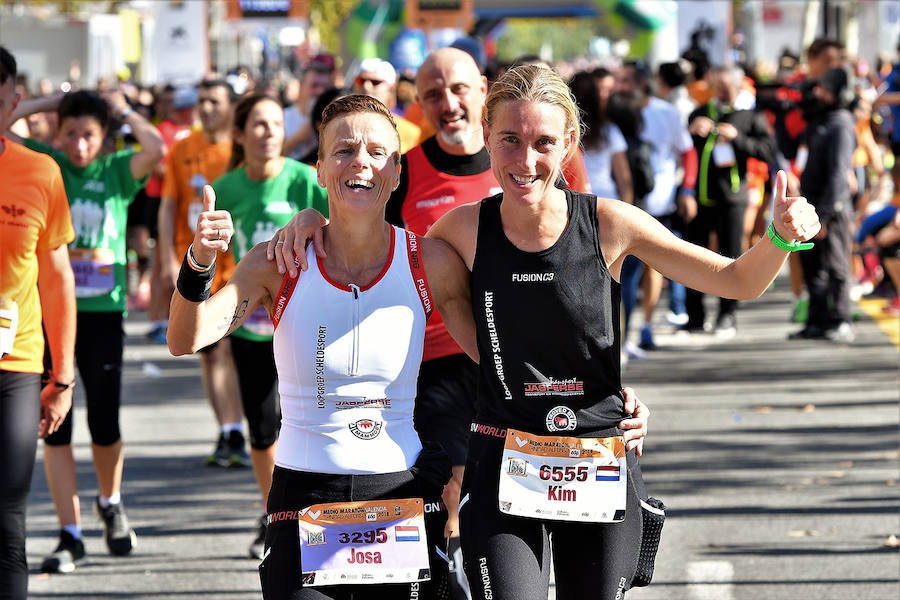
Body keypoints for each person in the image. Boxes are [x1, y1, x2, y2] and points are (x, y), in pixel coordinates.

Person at [270, 65, 817, 599]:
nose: (524, 160)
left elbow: (737, 280)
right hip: (502, 464)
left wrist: (780, 238)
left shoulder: (611, 224)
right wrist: (311, 222)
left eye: (543, 142)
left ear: (570, 142)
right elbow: (369, 241)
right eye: (508, 139)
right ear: (486, 135)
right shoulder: (459, 231)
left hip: (597, 458)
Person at [168, 94, 475, 599]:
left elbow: (502, 361)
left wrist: (601, 397)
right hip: (305, 497)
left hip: (399, 493)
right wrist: (199, 259)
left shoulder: (430, 262)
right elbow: (186, 337)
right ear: (319, 168)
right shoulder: (279, 261)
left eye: (378, 152)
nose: (361, 163)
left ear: (396, 172)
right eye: (344, 150)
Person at [7, 86, 165, 573]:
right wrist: (46, 105)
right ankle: (69, 532)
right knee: (55, 428)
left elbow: (156, 150)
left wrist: (122, 111)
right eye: (71, 134)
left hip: (102, 313)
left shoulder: (116, 171)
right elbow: (4, 128)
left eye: (90, 136)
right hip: (49, 312)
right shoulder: (45, 163)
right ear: (58, 133)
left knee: (104, 420)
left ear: (105, 139)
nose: (79, 146)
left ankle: (110, 501)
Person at [212, 93, 329, 559]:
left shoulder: (304, 181)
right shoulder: (225, 187)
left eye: (276, 124)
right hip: (252, 328)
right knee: (263, 428)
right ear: (239, 134)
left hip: (304, 323)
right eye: (258, 124)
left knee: (307, 419)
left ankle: (315, 511)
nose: (268, 133)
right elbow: (220, 258)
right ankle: (273, 512)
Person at [0, 45, 76, 600]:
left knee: (6, 519)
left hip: (15, 365)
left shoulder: (38, 170)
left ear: (14, 101)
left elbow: (56, 280)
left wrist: (63, 378)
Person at [157, 79, 248, 468]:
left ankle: (238, 429)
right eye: (201, 101)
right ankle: (226, 430)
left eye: (214, 101)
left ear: (231, 107)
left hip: (238, 266)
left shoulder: (240, 150)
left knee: (231, 351)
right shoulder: (182, 148)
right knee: (209, 355)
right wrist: (163, 260)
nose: (205, 107)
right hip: (195, 265)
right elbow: (167, 207)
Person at [685, 66, 777, 336]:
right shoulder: (700, 112)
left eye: (727, 88)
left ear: (737, 87)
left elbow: (768, 150)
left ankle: (728, 315)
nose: (722, 93)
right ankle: (695, 316)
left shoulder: (750, 116)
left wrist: (738, 139)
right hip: (700, 197)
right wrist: (693, 129)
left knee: (730, 256)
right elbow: (683, 148)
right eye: (718, 87)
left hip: (733, 198)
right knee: (692, 256)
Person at [788, 67, 857, 342]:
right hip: (812, 204)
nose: (820, 94)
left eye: (826, 90)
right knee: (812, 266)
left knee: (837, 265)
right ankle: (816, 321)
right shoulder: (820, 119)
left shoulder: (841, 123)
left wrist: (825, 216)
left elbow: (839, 174)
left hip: (831, 209)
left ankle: (841, 320)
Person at [352, 57, 421, 153]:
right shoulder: (340, 125)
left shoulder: (411, 133)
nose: (366, 86)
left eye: (375, 82)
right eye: (361, 81)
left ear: (391, 89)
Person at [283, 54, 337, 161]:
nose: (320, 92)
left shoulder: (337, 120)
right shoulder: (282, 118)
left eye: (325, 87)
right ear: (302, 87)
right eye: (314, 85)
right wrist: (297, 139)